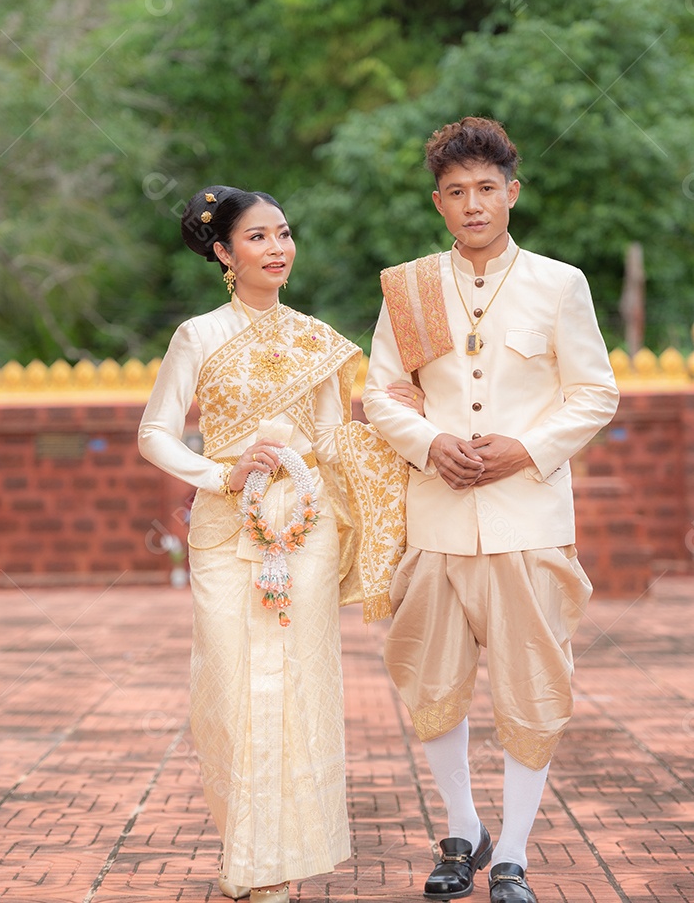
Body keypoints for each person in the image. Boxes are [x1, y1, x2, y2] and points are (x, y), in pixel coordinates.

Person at [362, 117, 619, 903]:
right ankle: (461, 827)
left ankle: (511, 852)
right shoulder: (407, 286)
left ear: (512, 192)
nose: (471, 204)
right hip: (435, 519)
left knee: (531, 685)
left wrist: (527, 450)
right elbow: (379, 392)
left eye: (485, 189)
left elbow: (594, 392)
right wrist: (430, 443)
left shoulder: (558, 283)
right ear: (437, 203)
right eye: (454, 192)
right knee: (430, 683)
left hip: (527, 519)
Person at [138, 186, 416, 903]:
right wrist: (219, 474)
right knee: (227, 689)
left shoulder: (315, 339)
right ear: (225, 254)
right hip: (225, 526)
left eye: (284, 233)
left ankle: (277, 868)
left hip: (306, 530)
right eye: (257, 237)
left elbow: (329, 440)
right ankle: (248, 850)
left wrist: (406, 428)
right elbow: (155, 433)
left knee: (301, 687)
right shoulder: (197, 336)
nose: (278, 248)